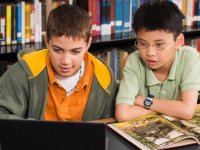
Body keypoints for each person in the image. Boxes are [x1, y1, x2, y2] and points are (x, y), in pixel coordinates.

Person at [0, 4, 118, 121]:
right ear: (46, 41)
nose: (66, 61)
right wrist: (31, 129)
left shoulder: (104, 79)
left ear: (88, 44)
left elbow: (109, 128)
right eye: (57, 50)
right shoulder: (25, 71)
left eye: (75, 51)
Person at [115, 0, 200, 122]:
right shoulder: (134, 60)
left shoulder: (189, 57)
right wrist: (171, 109)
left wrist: (143, 101)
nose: (150, 53)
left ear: (179, 41)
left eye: (159, 44)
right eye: (142, 43)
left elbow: (186, 111)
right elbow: (123, 115)